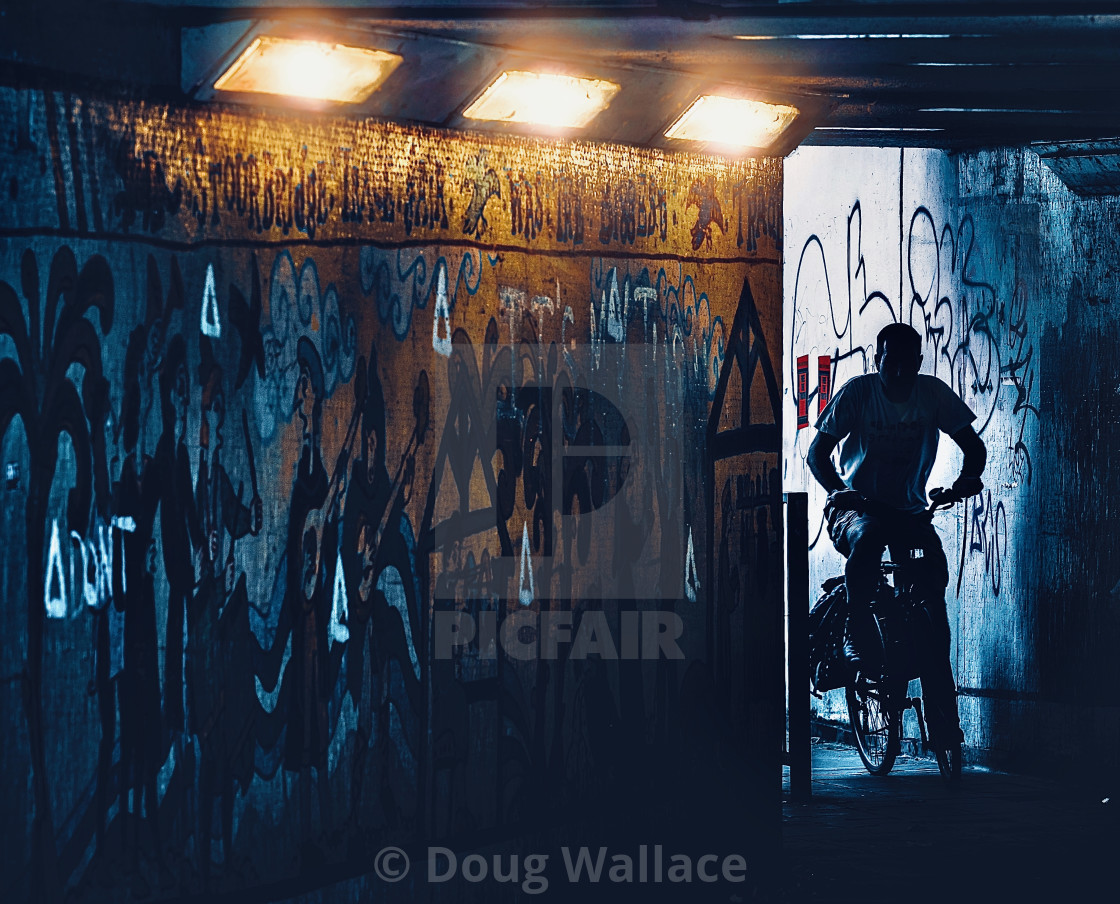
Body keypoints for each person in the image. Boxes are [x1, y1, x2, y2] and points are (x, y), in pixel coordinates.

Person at [806, 322, 986, 748]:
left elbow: (973, 448)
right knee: (867, 539)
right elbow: (817, 454)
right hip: (857, 508)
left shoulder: (932, 394)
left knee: (933, 618)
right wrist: (840, 492)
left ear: (919, 363)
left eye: (910, 363)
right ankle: (856, 621)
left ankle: (944, 728)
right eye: (892, 362)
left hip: (908, 511)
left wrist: (965, 481)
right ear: (877, 360)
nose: (901, 371)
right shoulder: (859, 393)